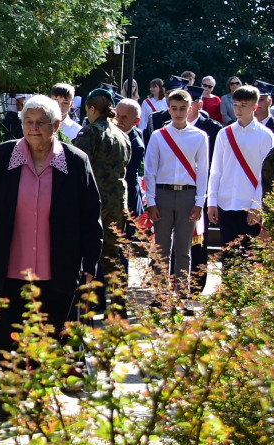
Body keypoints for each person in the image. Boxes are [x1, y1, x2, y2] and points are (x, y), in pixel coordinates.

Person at [0, 95, 102, 417]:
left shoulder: (75, 160)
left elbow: (90, 215)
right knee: (4, 335)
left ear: (56, 125)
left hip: (58, 266)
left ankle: (38, 396)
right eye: (29, 122)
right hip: (12, 264)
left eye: (41, 122)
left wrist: (90, 262)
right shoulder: (4, 157)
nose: (34, 128)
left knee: (48, 333)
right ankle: (0, 399)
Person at [144, 89, 210, 298]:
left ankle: (183, 295)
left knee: (183, 250)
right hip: (162, 195)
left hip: (187, 196)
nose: (178, 112)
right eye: (174, 108)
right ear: (168, 109)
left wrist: (200, 202)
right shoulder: (158, 136)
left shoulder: (200, 136)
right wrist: (151, 201)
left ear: (190, 109)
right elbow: (150, 170)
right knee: (161, 249)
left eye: (183, 108)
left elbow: (203, 171)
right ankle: (160, 296)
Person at [72, 88, 131, 314]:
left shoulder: (89, 133)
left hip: (93, 201)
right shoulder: (123, 135)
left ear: (92, 109)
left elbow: (78, 166)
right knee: (112, 256)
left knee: (88, 255)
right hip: (117, 202)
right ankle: (118, 308)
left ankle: (86, 308)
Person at [206, 84, 274, 267]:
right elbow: (216, 170)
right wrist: (212, 201)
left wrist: (256, 205)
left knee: (248, 257)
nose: (238, 109)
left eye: (243, 105)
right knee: (227, 256)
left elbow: (265, 175)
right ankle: (227, 294)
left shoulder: (265, 135)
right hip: (226, 201)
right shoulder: (224, 133)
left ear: (254, 107)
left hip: (248, 203)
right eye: (236, 104)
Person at [114, 98, 145, 234]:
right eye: (117, 115)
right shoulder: (111, 134)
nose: (118, 120)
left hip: (126, 205)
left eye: (124, 117)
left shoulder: (136, 145)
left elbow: (126, 177)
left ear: (136, 121)